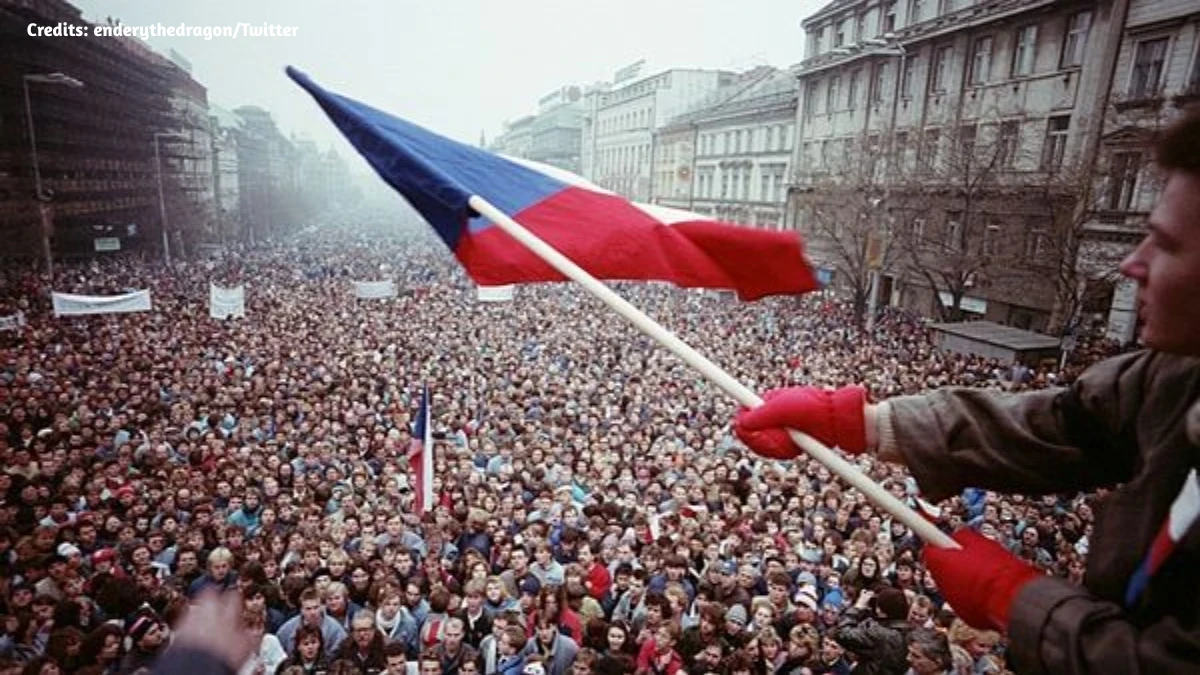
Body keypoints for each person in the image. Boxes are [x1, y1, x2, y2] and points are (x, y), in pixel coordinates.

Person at [734, 110, 1200, 673]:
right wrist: (864, 424)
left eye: (1166, 243)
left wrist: (1021, 604)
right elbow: (1064, 422)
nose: (1133, 263)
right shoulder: (1178, 373)